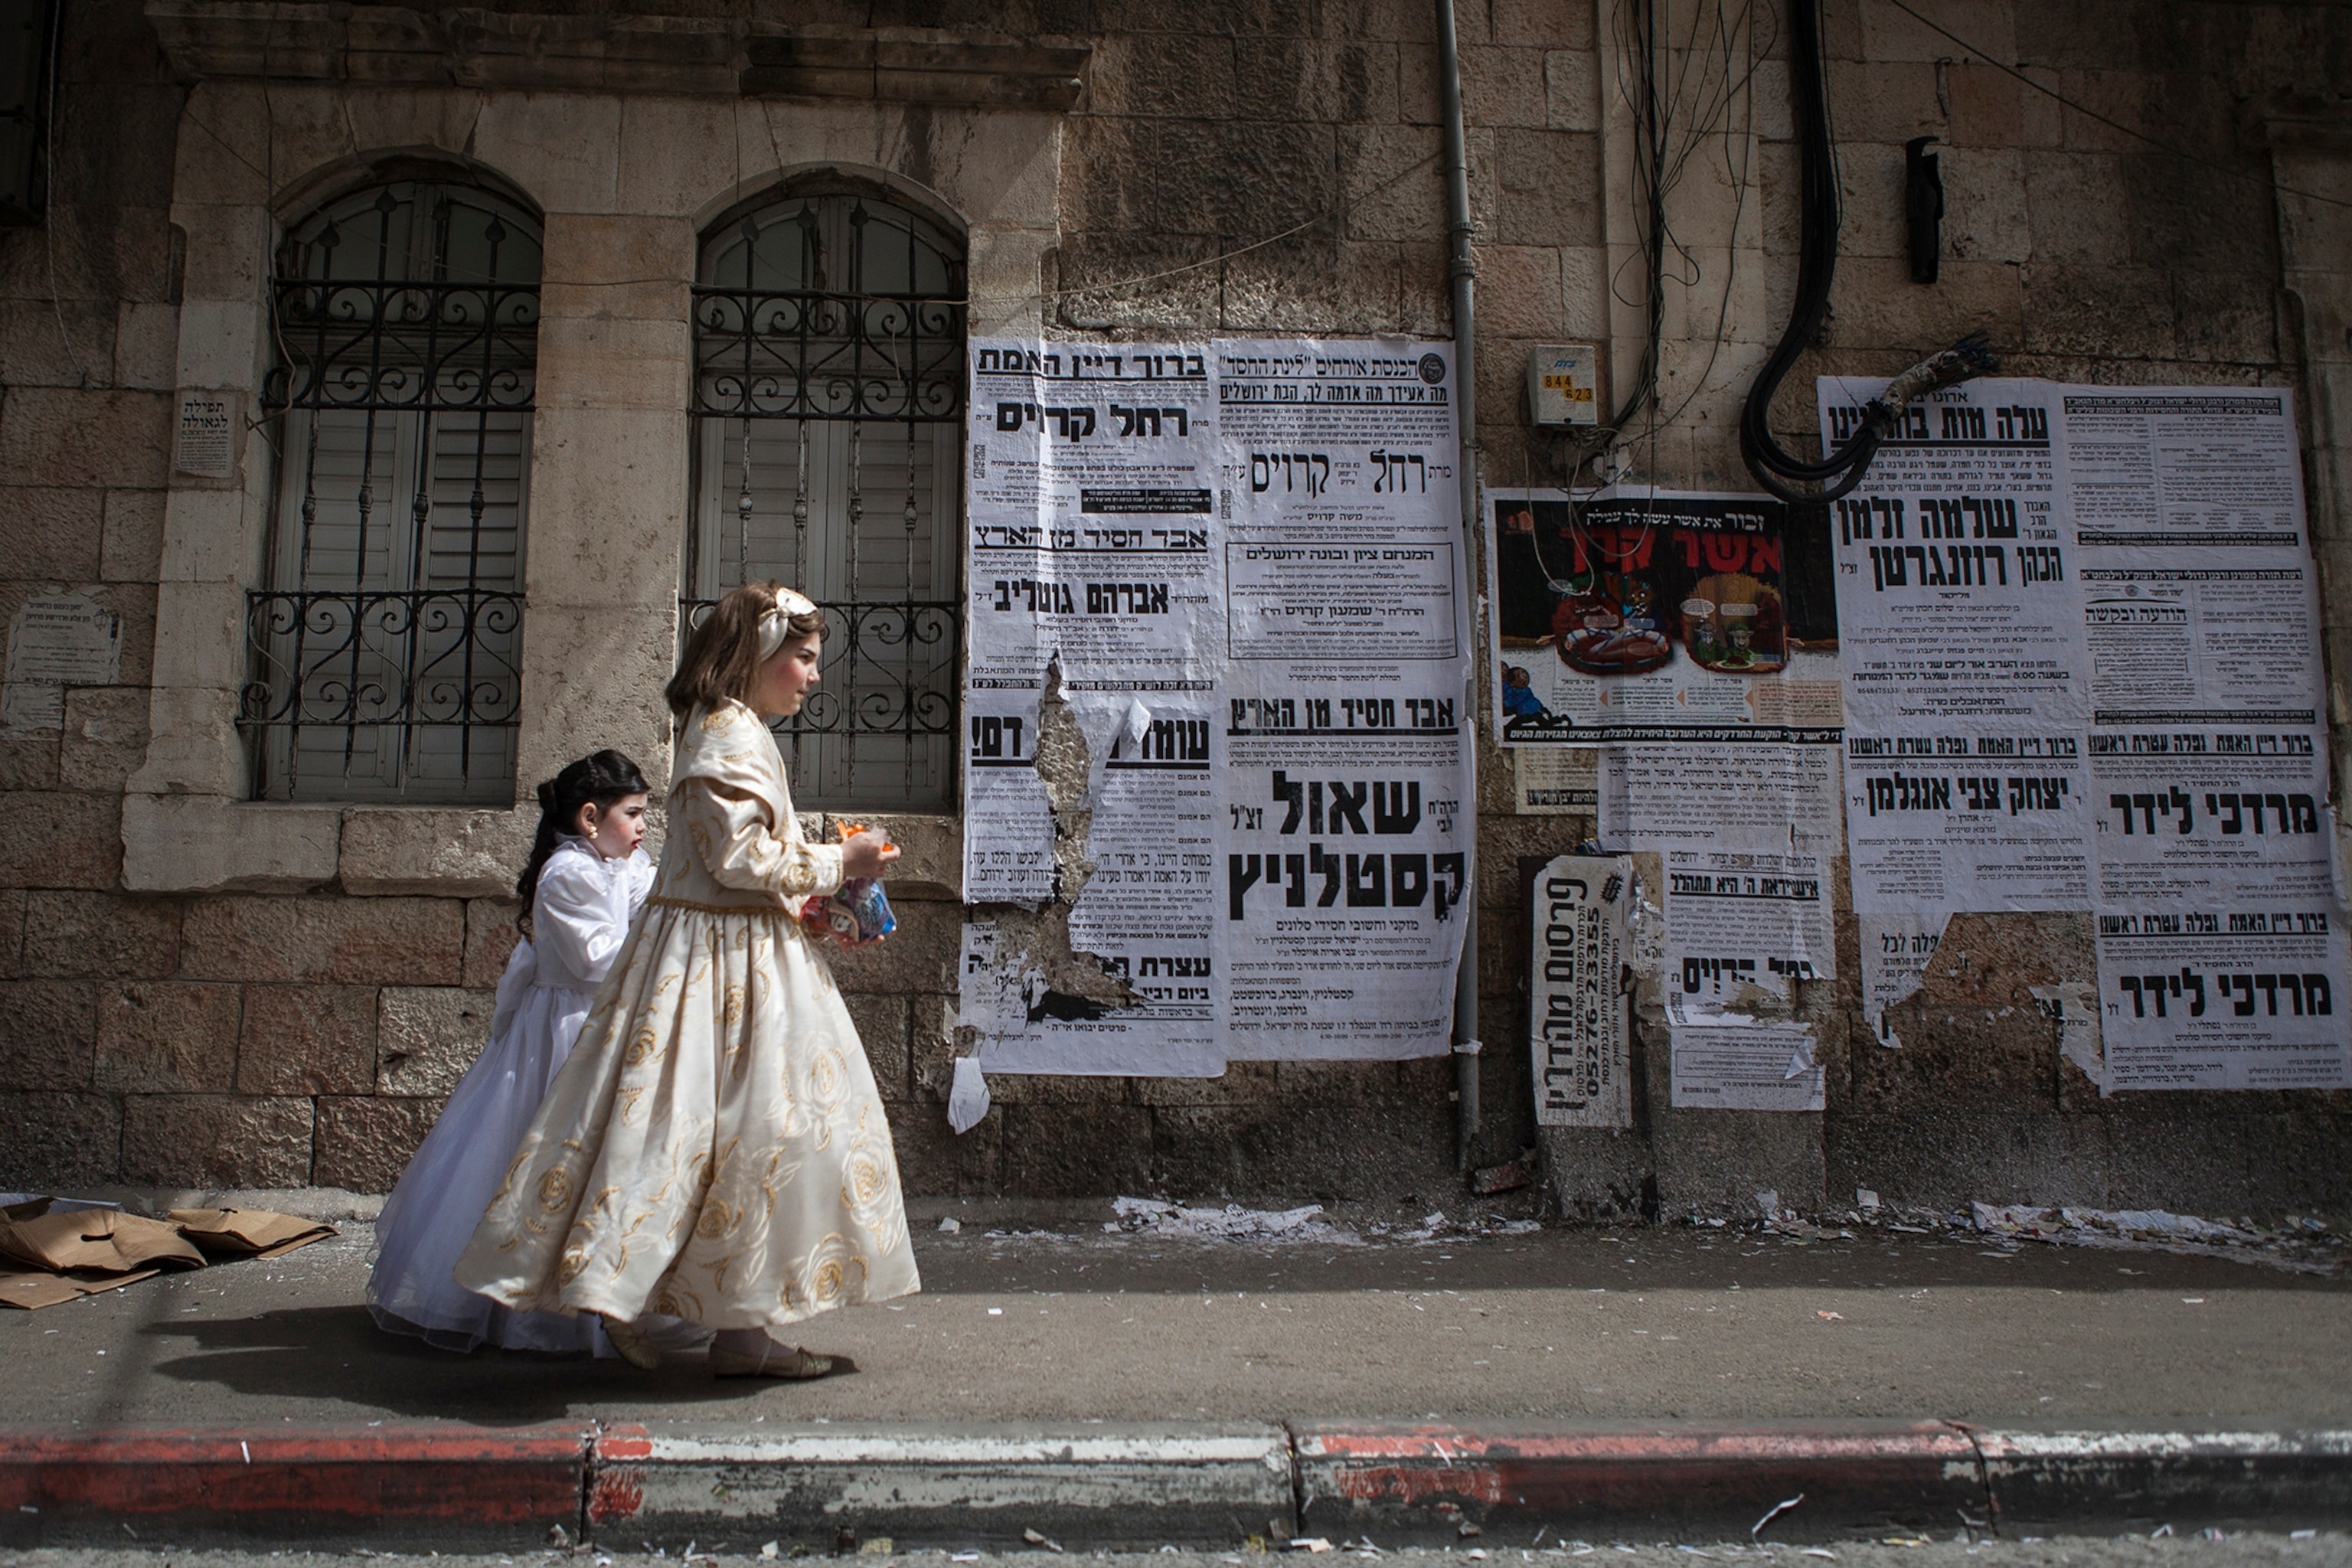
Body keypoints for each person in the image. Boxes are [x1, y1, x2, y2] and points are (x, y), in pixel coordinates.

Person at [453, 583, 917, 1379]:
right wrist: (845, 860)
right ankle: (624, 1288)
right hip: (718, 964)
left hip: (737, 949)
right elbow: (738, 861)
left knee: (748, 1140)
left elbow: (740, 854)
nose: (812, 676)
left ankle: (742, 1333)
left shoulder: (737, 731)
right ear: (757, 658)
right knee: (708, 1132)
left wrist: (821, 879)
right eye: (802, 659)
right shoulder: (728, 737)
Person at [367, 750, 656, 1354]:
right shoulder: (568, 875)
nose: (643, 827)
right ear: (588, 818)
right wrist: (659, 941)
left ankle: (609, 1297)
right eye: (633, 815)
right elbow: (598, 960)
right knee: (551, 1158)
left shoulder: (620, 866)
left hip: (610, 1022)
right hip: (567, 1029)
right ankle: (535, 1305)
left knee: (610, 1162)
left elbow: (646, 908)